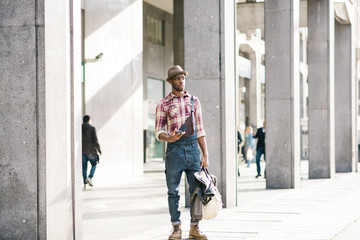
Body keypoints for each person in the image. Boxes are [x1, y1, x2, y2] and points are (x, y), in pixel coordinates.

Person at [155, 65, 209, 240]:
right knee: (173, 191)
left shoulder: (194, 101)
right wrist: (169, 138)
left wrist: (205, 154)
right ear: (171, 81)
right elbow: (158, 131)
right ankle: (176, 227)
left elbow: (200, 130)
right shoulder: (163, 104)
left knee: (196, 190)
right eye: (177, 78)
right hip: (174, 151)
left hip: (193, 149)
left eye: (183, 78)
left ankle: (195, 227)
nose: (181, 81)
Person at [82, 115, 102, 187]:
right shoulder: (92, 129)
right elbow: (95, 141)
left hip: (82, 152)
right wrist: (99, 150)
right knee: (94, 165)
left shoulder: (80, 128)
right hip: (91, 151)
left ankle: (85, 182)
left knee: (84, 167)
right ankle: (90, 177)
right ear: (89, 120)